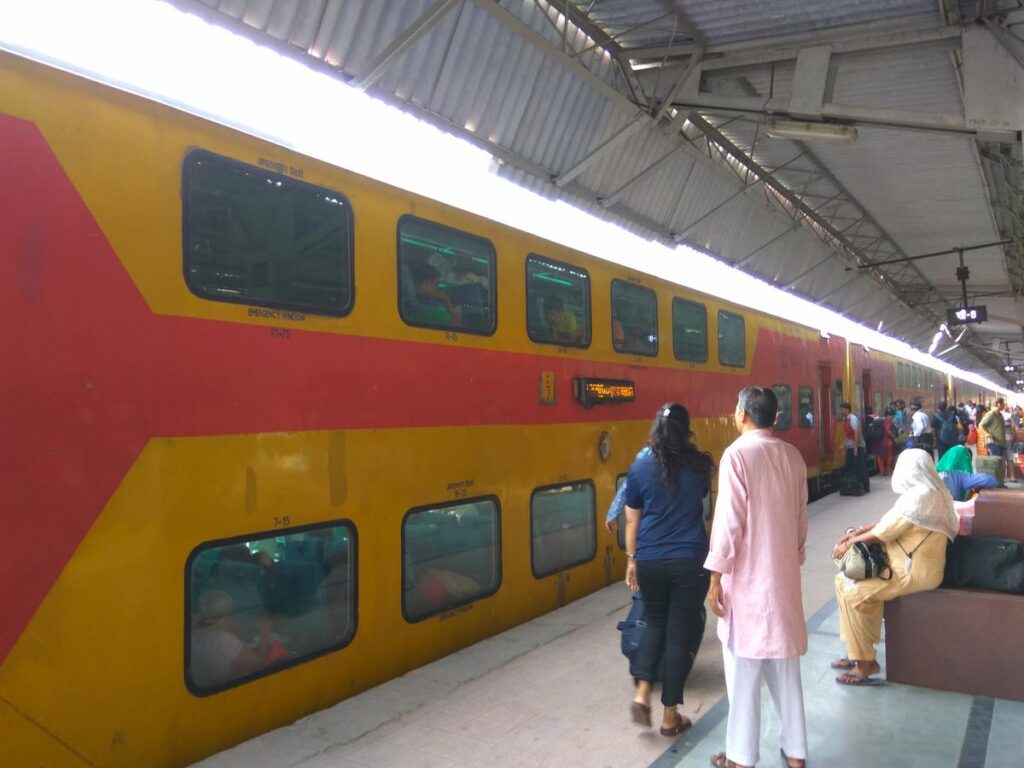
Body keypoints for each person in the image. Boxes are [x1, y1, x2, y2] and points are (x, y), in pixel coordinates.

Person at [706, 387, 809, 768]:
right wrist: (791, 555)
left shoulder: (737, 456)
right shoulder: (793, 457)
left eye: (736, 408)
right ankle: (796, 753)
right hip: (782, 582)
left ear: (744, 414)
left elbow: (728, 525)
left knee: (744, 674)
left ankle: (740, 758)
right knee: (786, 672)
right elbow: (801, 520)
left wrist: (716, 577)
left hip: (747, 585)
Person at [624, 403, 714, 738]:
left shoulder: (641, 464)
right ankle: (669, 716)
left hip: (649, 559)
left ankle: (642, 691)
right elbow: (701, 504)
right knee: (678, 635)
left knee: (654, 623)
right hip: (689, 560)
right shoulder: (700, 464)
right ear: (686, 429)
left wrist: (631, 560)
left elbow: (632, 518)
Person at [831, 449, 957, 685]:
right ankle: (856, 650)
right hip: (906, 563)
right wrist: (857, 532)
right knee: (843, 582)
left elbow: (883, 532)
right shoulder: (931, 491)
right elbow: (887, 519)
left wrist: (849, 542)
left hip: (915, 570)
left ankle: (866, 664)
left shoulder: (922, 495)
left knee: (852, 589)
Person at [189, 589, 277, 690]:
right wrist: (264, 631)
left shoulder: (193, 633)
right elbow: (261, 662)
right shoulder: (222, 639)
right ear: (227, 613)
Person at [839, 402, 869, 494]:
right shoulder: (846, 419)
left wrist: (856, 447)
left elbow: (856, 432)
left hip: (857, 446)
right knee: (850, 466)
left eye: (842, 409)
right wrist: (842, 445)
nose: (841, 411)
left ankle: (865, 486)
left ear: (847, 409)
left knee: (860, 466)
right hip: (851, 446)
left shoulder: (852, 418)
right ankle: (852, 485)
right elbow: (848, 435)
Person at [874, 408, 897, 476]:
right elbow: (888, 431)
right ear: (890, 415)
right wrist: (894, 437)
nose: (893, 418)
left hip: (880, 441)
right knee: (889, 456)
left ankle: (882, 471)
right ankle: (889, 470)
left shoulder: (881, 420)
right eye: (893, 416)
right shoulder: (888, 421)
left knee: (880, 456)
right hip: (887, 441)